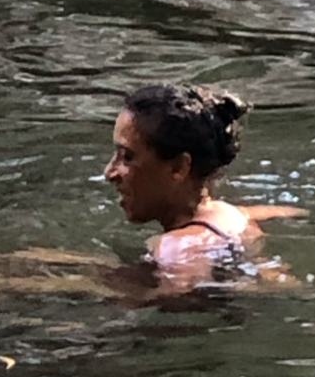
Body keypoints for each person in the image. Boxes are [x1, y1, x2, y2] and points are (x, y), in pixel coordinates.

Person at [106, 83, 299, 281]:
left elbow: (168, 299)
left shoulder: (177, 248)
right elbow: (291, 211)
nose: (109, 172)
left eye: (127, 157)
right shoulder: (233, 216)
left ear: (179, 167)